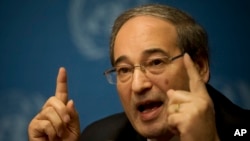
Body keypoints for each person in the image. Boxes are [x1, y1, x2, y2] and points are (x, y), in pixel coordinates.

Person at [28, 4, 250, 141]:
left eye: (155, 62)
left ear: (200, 67)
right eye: (124, 69)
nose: (138, 85)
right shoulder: (100, 137)